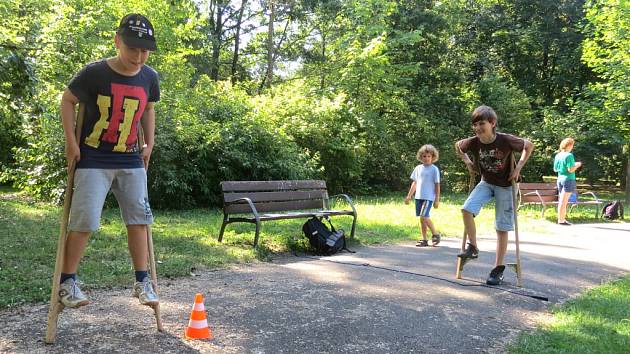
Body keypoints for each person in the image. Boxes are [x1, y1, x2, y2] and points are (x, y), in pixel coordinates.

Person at [59, 14, 160, 308]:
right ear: (117, 42)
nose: (139, 57)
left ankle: (142, 281)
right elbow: (67, 101)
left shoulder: (149, 77)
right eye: (133, 49)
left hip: (130, 160)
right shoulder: (94, 73)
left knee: (139, 220)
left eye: (145, 50)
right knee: (85, 221)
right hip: (93, 158)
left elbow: (148, 110)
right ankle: (68, 283)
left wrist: (149, 143)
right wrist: (71, 142)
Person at [454, 105, 533, 285]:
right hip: (486, 182)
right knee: (466, 209)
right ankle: (473, 247)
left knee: (502, 227)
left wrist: (518, 168)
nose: (477, 128)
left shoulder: (505, 140)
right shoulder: (474, 142)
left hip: (506, 185)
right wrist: (467, 162)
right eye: (474, 125)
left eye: (481, 123)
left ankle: (498, 269)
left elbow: (528, 145)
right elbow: (458, 146)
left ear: (493, 123)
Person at [405, 144, 442, 247]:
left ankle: (435, 234)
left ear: (433, 157)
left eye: (429, 156)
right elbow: (415, 183)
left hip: (429, 197)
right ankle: (424, 239)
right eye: (424, 156)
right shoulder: (418, 168)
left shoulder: (434, 169)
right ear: (421, 157)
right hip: (419, 197)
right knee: (422, 219)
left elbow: (437, 185)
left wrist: (437, 199)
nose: (426, 158)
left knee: (424, 216)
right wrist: (409, 196)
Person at [553, 138, 582, 225]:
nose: (572, 147)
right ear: (569, 145)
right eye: (572, 145)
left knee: (561, 200)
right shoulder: (569, 155)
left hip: (560, 179)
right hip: (568, 180)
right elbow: (570, 169)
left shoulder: (558, 155)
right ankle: (561, 220)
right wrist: (577, 165)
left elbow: (555, 169)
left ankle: (561, 219)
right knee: (563, 201)